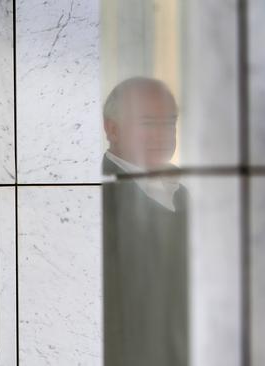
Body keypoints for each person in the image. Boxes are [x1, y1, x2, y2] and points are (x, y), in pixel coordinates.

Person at [102, 77, 188, 366]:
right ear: (112, 128)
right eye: (149, 123)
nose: (164, 135)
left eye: (170, 123)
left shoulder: (182, 193)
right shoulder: (90, 197)